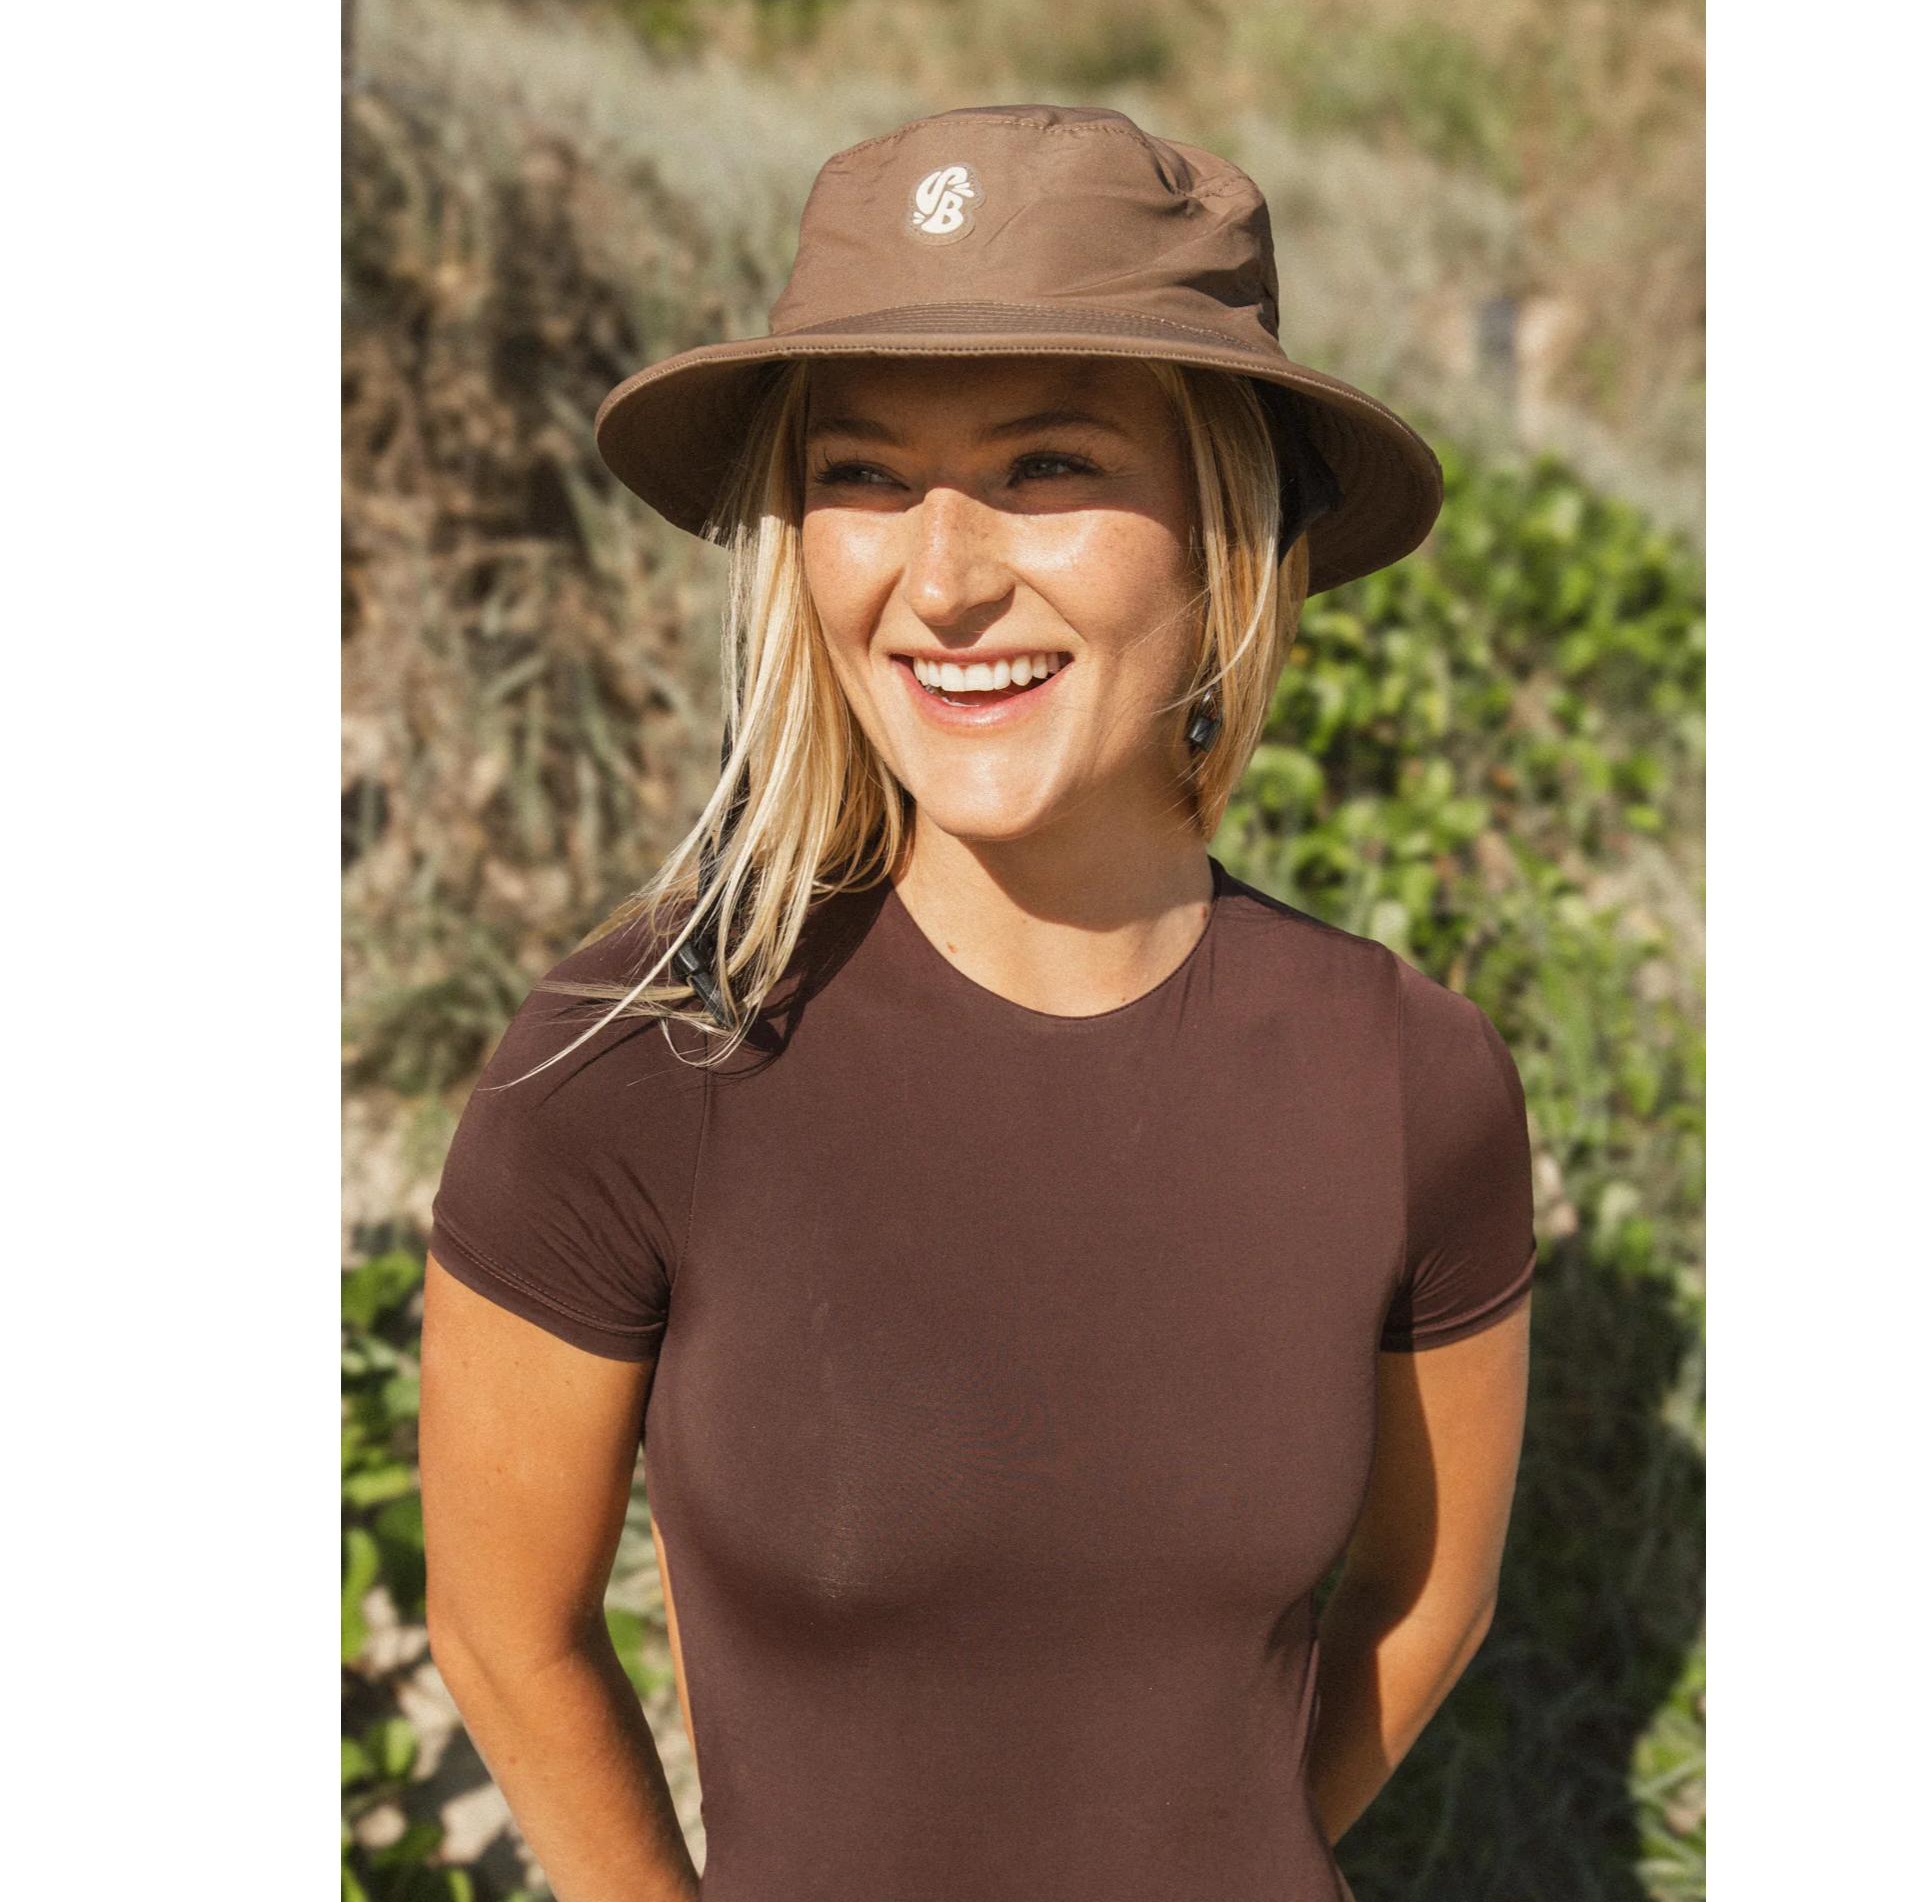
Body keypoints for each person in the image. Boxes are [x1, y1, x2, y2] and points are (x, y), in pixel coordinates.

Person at [418, 103, 1537, 1902]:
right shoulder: (641, 1059)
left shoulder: (1410, 1076)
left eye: (1046, 465)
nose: (940, 580)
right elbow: (501, 1629)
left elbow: (1432, 1600)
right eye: (862, 475)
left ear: (1229, 527)